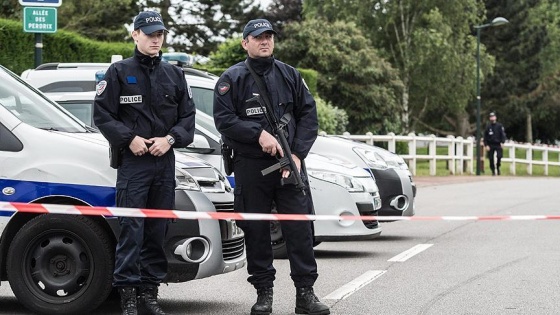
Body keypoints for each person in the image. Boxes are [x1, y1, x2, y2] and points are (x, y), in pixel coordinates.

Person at [213, 19, 330, 315]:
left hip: (289, 165)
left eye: (268, 37)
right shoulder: (232, 78)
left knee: (299, 230)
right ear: (245, 42)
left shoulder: (290, 75)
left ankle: (306, 294)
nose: (264, 41)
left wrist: (298, 155)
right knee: (256, 231)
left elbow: (309, 117)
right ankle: (263, 294)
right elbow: (224, 120)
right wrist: (258, 134)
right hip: (251, 166)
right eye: (258, 37)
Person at [93, 10, 195, 315]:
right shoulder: (119, 72)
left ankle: (150, 295)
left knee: (156, 231)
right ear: (135, 34)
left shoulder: (175, 75)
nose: (155, 39)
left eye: (160, 34)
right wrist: (129, 139)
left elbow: (188, 118)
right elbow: (102, 115)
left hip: (164, 163)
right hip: (133, 165)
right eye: (149, 34)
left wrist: (171, 139)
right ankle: (128, 297)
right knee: (131, 231)